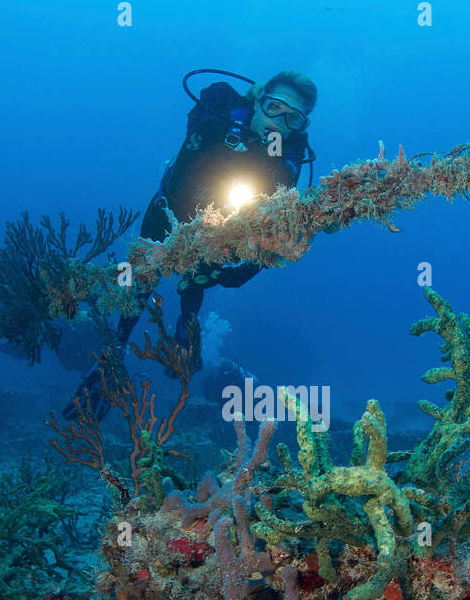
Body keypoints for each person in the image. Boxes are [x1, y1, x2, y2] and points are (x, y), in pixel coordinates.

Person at [64, 70, 317, 421]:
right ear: (258, 101)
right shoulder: (218, 119)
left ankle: (187, 330)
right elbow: (183, 176)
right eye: (274, 107)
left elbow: (275, 226)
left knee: (197, 281)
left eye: (293, 116)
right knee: (139, 284)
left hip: (222, 233)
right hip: (169, 210)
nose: (279, 122)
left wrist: (249, 267)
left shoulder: (286, 161)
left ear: (300, 126)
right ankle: (111, 358)